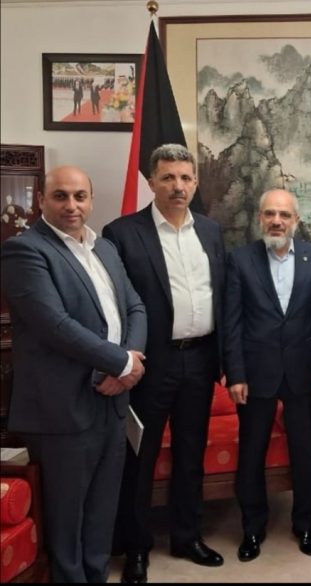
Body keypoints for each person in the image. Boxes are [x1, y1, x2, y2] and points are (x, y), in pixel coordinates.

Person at [1, 166, 147, 582]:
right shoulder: (24, 251)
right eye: (60, 196)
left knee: (101, 511)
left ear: (91, 200)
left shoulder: (105, 249)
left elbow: (135, 307)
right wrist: (122, 364)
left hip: (113, 402)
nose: (71, 205)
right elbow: (55, 325)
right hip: (62, 408)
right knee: (66, 520)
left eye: (80, 196)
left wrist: (129, 362)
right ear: (41, 201)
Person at [103, 144, 227, 583]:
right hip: (150, 364)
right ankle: (136, 547)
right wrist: (123, 359)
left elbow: (221, 296)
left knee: (191, 453)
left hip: (201, 359)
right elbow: (114, 305)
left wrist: (225, 358)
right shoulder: (122, 233)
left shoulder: (210, 231)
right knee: (141, 457)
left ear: (195, 183)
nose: (178, 186)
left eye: (186, 178)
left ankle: (186, 536)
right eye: (168, 177)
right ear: (151, 182)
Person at [224, 188, 311, 562]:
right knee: (251, 453)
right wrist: (235, 374)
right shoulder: (240, 260)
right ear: (260, 218)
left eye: (284, 215)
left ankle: (304, 525)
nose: (276, 221)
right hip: (256, 373)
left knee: (305, 452)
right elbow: (232, 322)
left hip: (303, 371)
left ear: (295, 220)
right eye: (270, 213)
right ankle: (252, 528)